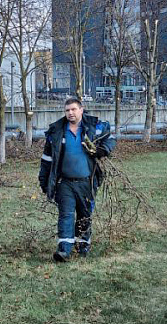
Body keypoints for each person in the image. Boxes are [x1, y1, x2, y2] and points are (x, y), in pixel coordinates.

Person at [38, 96, 115, 262]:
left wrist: (103, 150)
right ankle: (64, 250)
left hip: (87, 181)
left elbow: (110, 138)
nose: (70, 113)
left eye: (73, 109)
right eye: (67, 110)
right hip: (65, 182)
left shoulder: (94, 127)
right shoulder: (57, 132)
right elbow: (47, 159)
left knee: (84, 215)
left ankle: (82, 246)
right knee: (66, 214)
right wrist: (44, 181)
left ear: (81, 110)